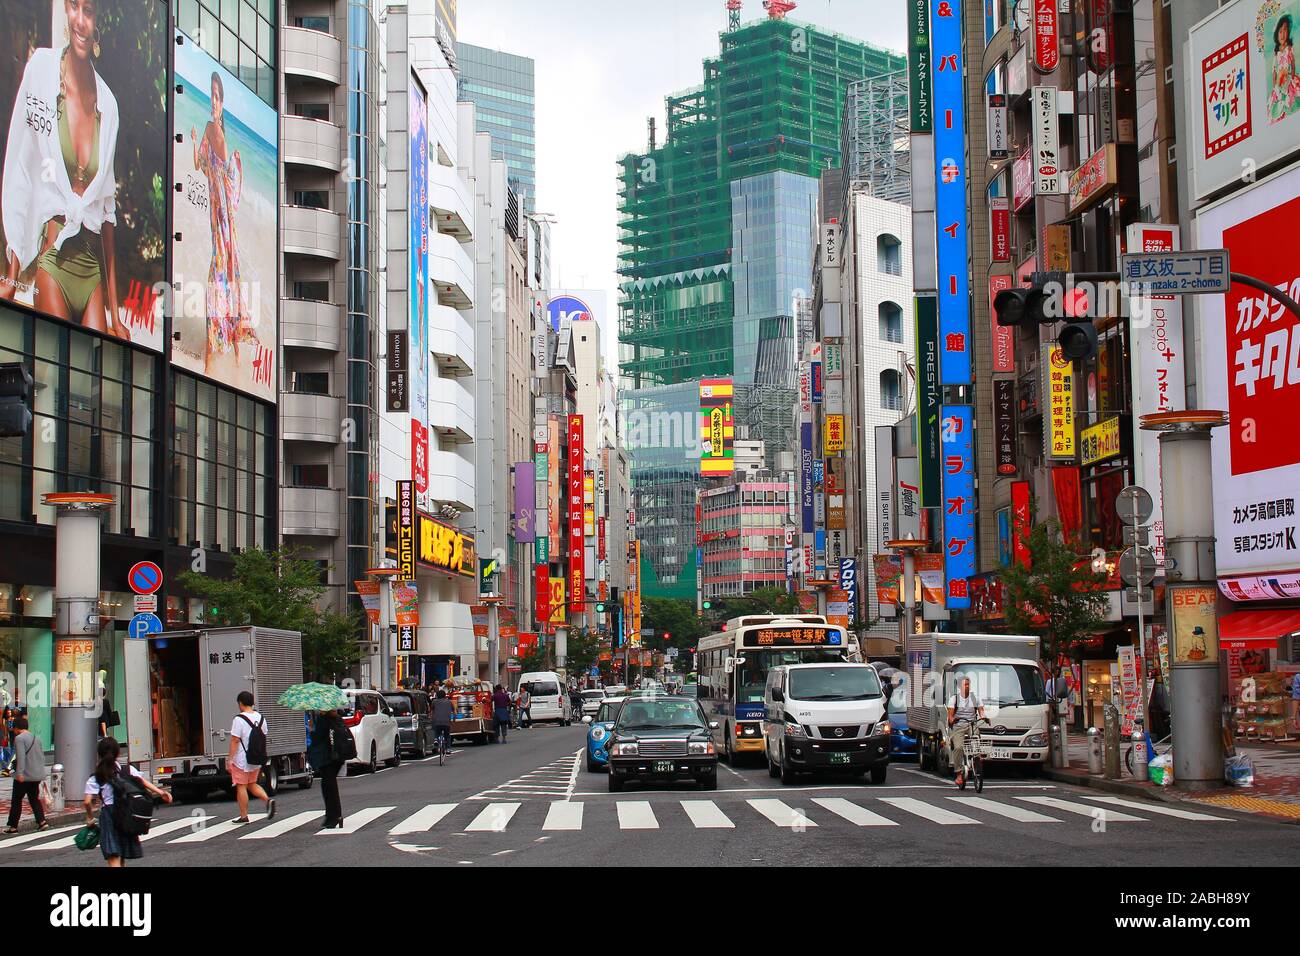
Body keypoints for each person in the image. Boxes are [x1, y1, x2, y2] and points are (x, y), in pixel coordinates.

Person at [0, 0, 126, 339]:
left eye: (89, 11)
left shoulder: (109, 104)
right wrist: (11, 278)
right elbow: (23, 166)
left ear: (99, 19)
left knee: (96, 386)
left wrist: (115, 316)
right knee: (60, 375)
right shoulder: (41, 69)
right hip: (52, 261)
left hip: (91, 271)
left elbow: (108, 214)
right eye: (74, 7)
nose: (80, 21)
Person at [190, 70, 254, 375]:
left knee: (218, 282)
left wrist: (232, 164)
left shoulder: (216, 130)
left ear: (223, 101)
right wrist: (193, 142)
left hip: (224, 226)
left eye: (217, 96)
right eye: (211, 95)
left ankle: (211, 355)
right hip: (219, 224)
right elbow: (202, 167)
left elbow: (226, 182)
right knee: (225, 285)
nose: (213, 101)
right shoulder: (210, 129)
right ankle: (232, 352)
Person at [83, 736, 171, 867]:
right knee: (122, 853)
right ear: (118, 753)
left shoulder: (97, 776)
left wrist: (90, 818)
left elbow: (87, 801)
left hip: (108, 815)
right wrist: (161, 793)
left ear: (99, 754)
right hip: (126, 812)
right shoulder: (127, 769)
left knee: (113, 855)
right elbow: (142, 782)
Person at [228, 691, 275, 823]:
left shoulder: (239, 719)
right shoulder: (261, 718)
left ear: (240, 703)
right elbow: (264, 735)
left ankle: (244, 816)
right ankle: (268, 800)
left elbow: (235, 740)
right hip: (256, 758)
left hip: (242, 759)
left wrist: (230, 759)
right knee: (252, 784)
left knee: (241, 786)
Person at [3, 716, 48, 833]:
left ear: (17, 728)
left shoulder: (19, 739)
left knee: (16, 800)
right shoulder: (36, 738)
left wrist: (20, 773)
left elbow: (21, 757)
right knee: (34, 799)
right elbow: (41, 757)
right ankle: (42, 821)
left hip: (25, 775)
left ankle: (13, 826)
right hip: (36, 775)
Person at [306, 709, 347, 829]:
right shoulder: (337, 718)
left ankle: (332, 818)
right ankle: (336, 816)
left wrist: (312, 728)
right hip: (337, 757)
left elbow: (318, 738)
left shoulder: (323, 720)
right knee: (331, 787)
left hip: (327, 758)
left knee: (328, 789)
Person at [946, 675, 986, 789]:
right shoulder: (954, 699)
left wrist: (984, 717)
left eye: (968, 684)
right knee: (958, 748)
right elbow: (950, 716)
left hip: (971, 724)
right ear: (960, 687)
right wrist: (953, 719)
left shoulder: (975, 698)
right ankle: (959, 774)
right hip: (959, 726)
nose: (967, 687)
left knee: (977, 743)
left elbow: (981, 711)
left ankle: (977, 759)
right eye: (965, 685)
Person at [1270, 14, 1300, 123]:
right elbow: (1274, 72)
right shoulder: (1276, 54)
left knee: (1292, 98)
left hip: (1288, 79)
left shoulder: (1289, 49)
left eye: (1285, 30)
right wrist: (1275, 87)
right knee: (1278, 102)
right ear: (1277, 35)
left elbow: (1292, 64)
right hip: (1279, 83)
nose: (1283, 34)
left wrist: (1292, 77)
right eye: (1280, 31)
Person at [431, 689, 453, 753]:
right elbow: (454, 711)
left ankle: (435, 739)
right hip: (446, 722)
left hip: (437, 722)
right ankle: (448, 749)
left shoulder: (434, 701)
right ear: (445, 695)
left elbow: (431, 711)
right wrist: (454, 718)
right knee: (447, 735)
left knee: (436, 729)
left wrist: (431, 718)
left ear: (437, 695)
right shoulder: (449, 702)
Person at [0, 706, 11, 776]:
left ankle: (6, 766)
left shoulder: (2, 711)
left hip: (2, 732)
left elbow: (2, 724)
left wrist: (5, 734)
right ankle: (5, 766)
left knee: (4, 749)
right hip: (2, 732)